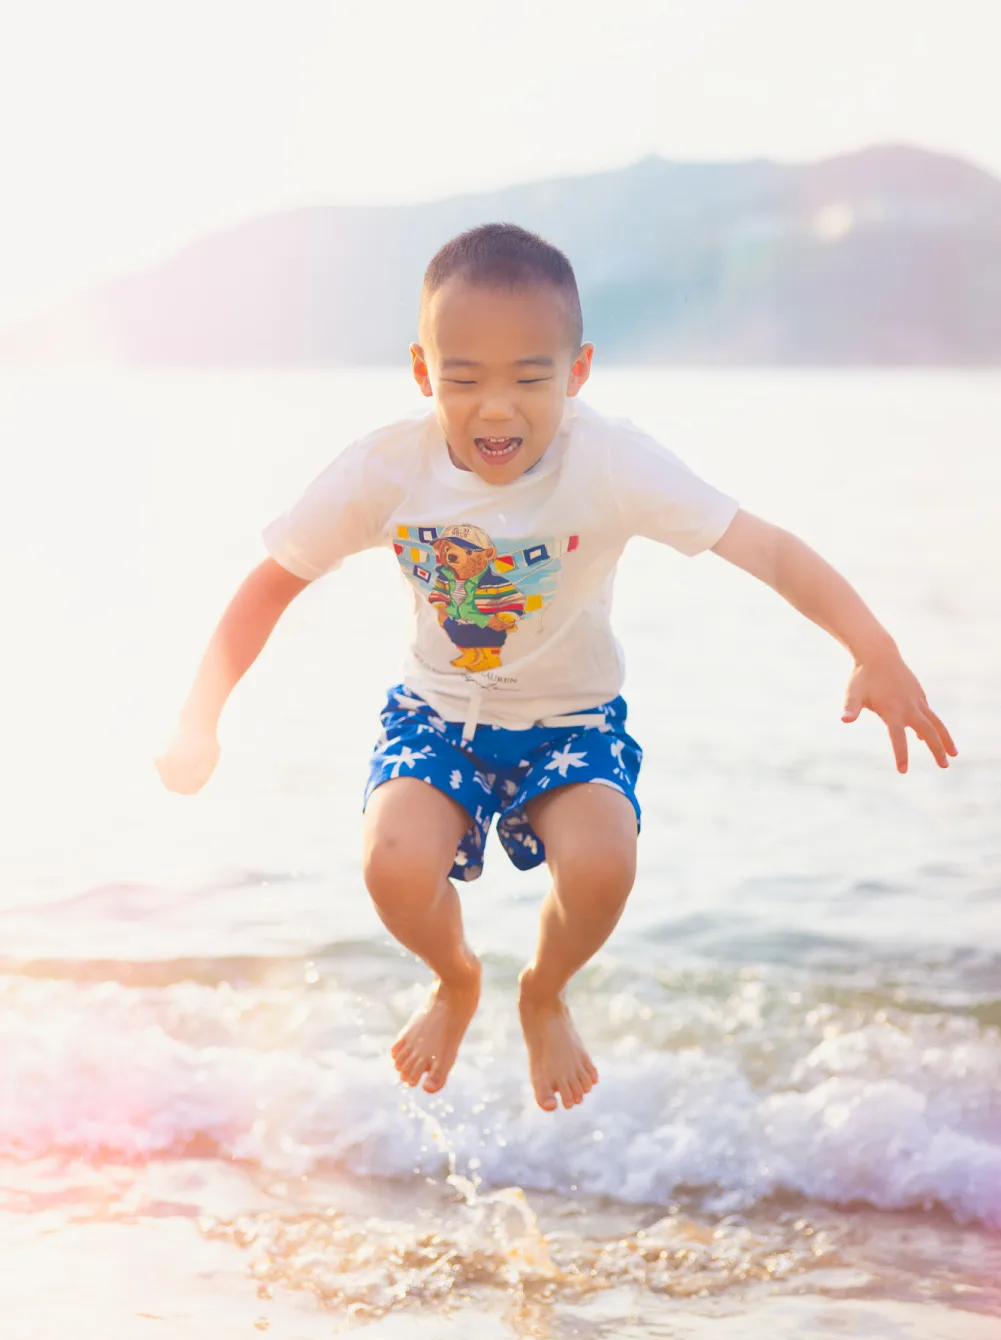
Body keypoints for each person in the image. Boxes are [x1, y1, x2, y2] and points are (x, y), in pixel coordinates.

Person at [156, 223, 957, 1112]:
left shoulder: (611, 461)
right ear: (424, 372)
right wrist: (200, 719)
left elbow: (764, 548)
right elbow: (270, 586)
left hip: (572, 723)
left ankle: (542, 992)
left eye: (530, 378)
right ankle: (456, 979)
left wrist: (871, 647)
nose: (496, 408)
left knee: (605, 861)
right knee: (389, 860)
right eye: (463, 379)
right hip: (436, 719)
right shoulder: (384, 468)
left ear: (575, 374)